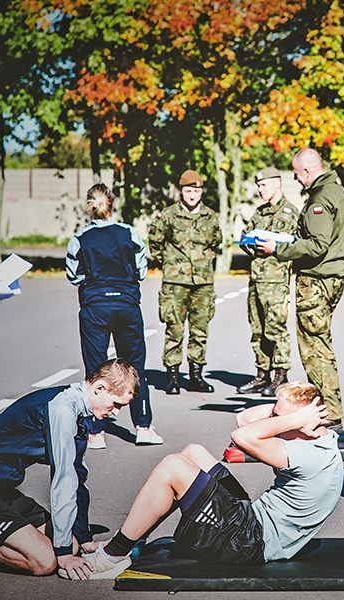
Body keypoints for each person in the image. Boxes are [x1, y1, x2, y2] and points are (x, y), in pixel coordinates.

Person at [80, 381, 343, 575]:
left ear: (300, 424)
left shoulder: (310, 455)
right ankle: (132, 543)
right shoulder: (320, 440)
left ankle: (112, 556)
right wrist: (290, 416)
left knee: (173, 466)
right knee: (193, 452)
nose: (274, 420)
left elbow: (242, 437)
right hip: (251, 522)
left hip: (246, 543)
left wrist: (294, 418)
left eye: (280, 418)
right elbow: (244, 419)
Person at [0, 359, 139, 579]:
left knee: (71, 545)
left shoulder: (78, 409)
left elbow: (77, 476)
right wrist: (62, 555)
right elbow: (64, 480)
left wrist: (85, 539)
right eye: (117, 404)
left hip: (0, 491)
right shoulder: (62, 410)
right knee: (46, 562)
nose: (117, 413)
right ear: (100, 388)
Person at [255, 150, 344, 429]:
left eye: (297, 174)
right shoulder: (338, 193)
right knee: (320, 344)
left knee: (315, 349)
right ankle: (328, 410)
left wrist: (279, 248)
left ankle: (329, 414)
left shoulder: (320, 199)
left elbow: (318, 244)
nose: (296, 180)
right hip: (332, 277)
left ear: (308, 171)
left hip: (317, 279)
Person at [66, 183, 162, 449]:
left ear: (89, 205)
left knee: (96, 367)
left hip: (95, 305)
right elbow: (141, 268)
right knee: (134, 366)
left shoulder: (80, 238)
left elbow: (73, 274)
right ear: (112, 204)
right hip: (126, 304)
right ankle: (143, 426)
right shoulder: (128, 233)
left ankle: (95, 432)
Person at [148, 169, 222, 395]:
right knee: (175, 329)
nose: (192, 195)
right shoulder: (167, 215)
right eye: (188, 190)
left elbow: (215, 243)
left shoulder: (211, 216)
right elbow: (155, 244)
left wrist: (204, 263)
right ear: (181, 191)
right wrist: (171, 264)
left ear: (201, 192)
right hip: (175, 282)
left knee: (200, 330)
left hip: (203, 283)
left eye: (196, 190)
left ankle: (196, 376)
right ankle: (172, 377)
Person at [237, 167, 299, 397]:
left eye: (263, 185)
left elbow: (295, 246)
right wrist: (255, 248)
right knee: (257, 329)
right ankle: (262, 374)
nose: (260, 189)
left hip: (276, 280)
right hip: (256, 278)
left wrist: (275, 249)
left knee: (276, 329)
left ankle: (280, 376)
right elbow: (244, 237)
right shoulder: (260, 212)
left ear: (277, 184)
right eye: (258, 185)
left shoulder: (290, 212)